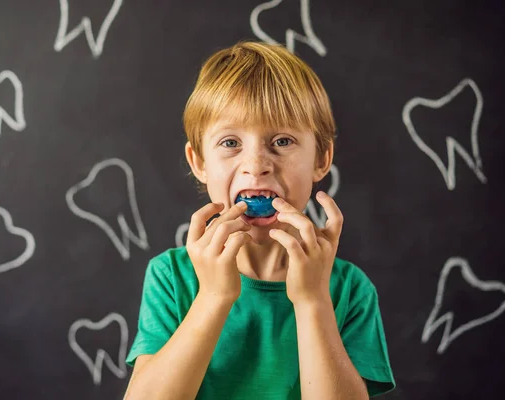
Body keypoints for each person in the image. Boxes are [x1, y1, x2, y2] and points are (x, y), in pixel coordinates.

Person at [123, 40, 396, 399]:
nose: (256, 164)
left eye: (282, 141)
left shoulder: (349, 289)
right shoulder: (171, 278)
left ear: (320, 159)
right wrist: (214, 296)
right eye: (230, 143)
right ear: (199, 162)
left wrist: (313, 300)